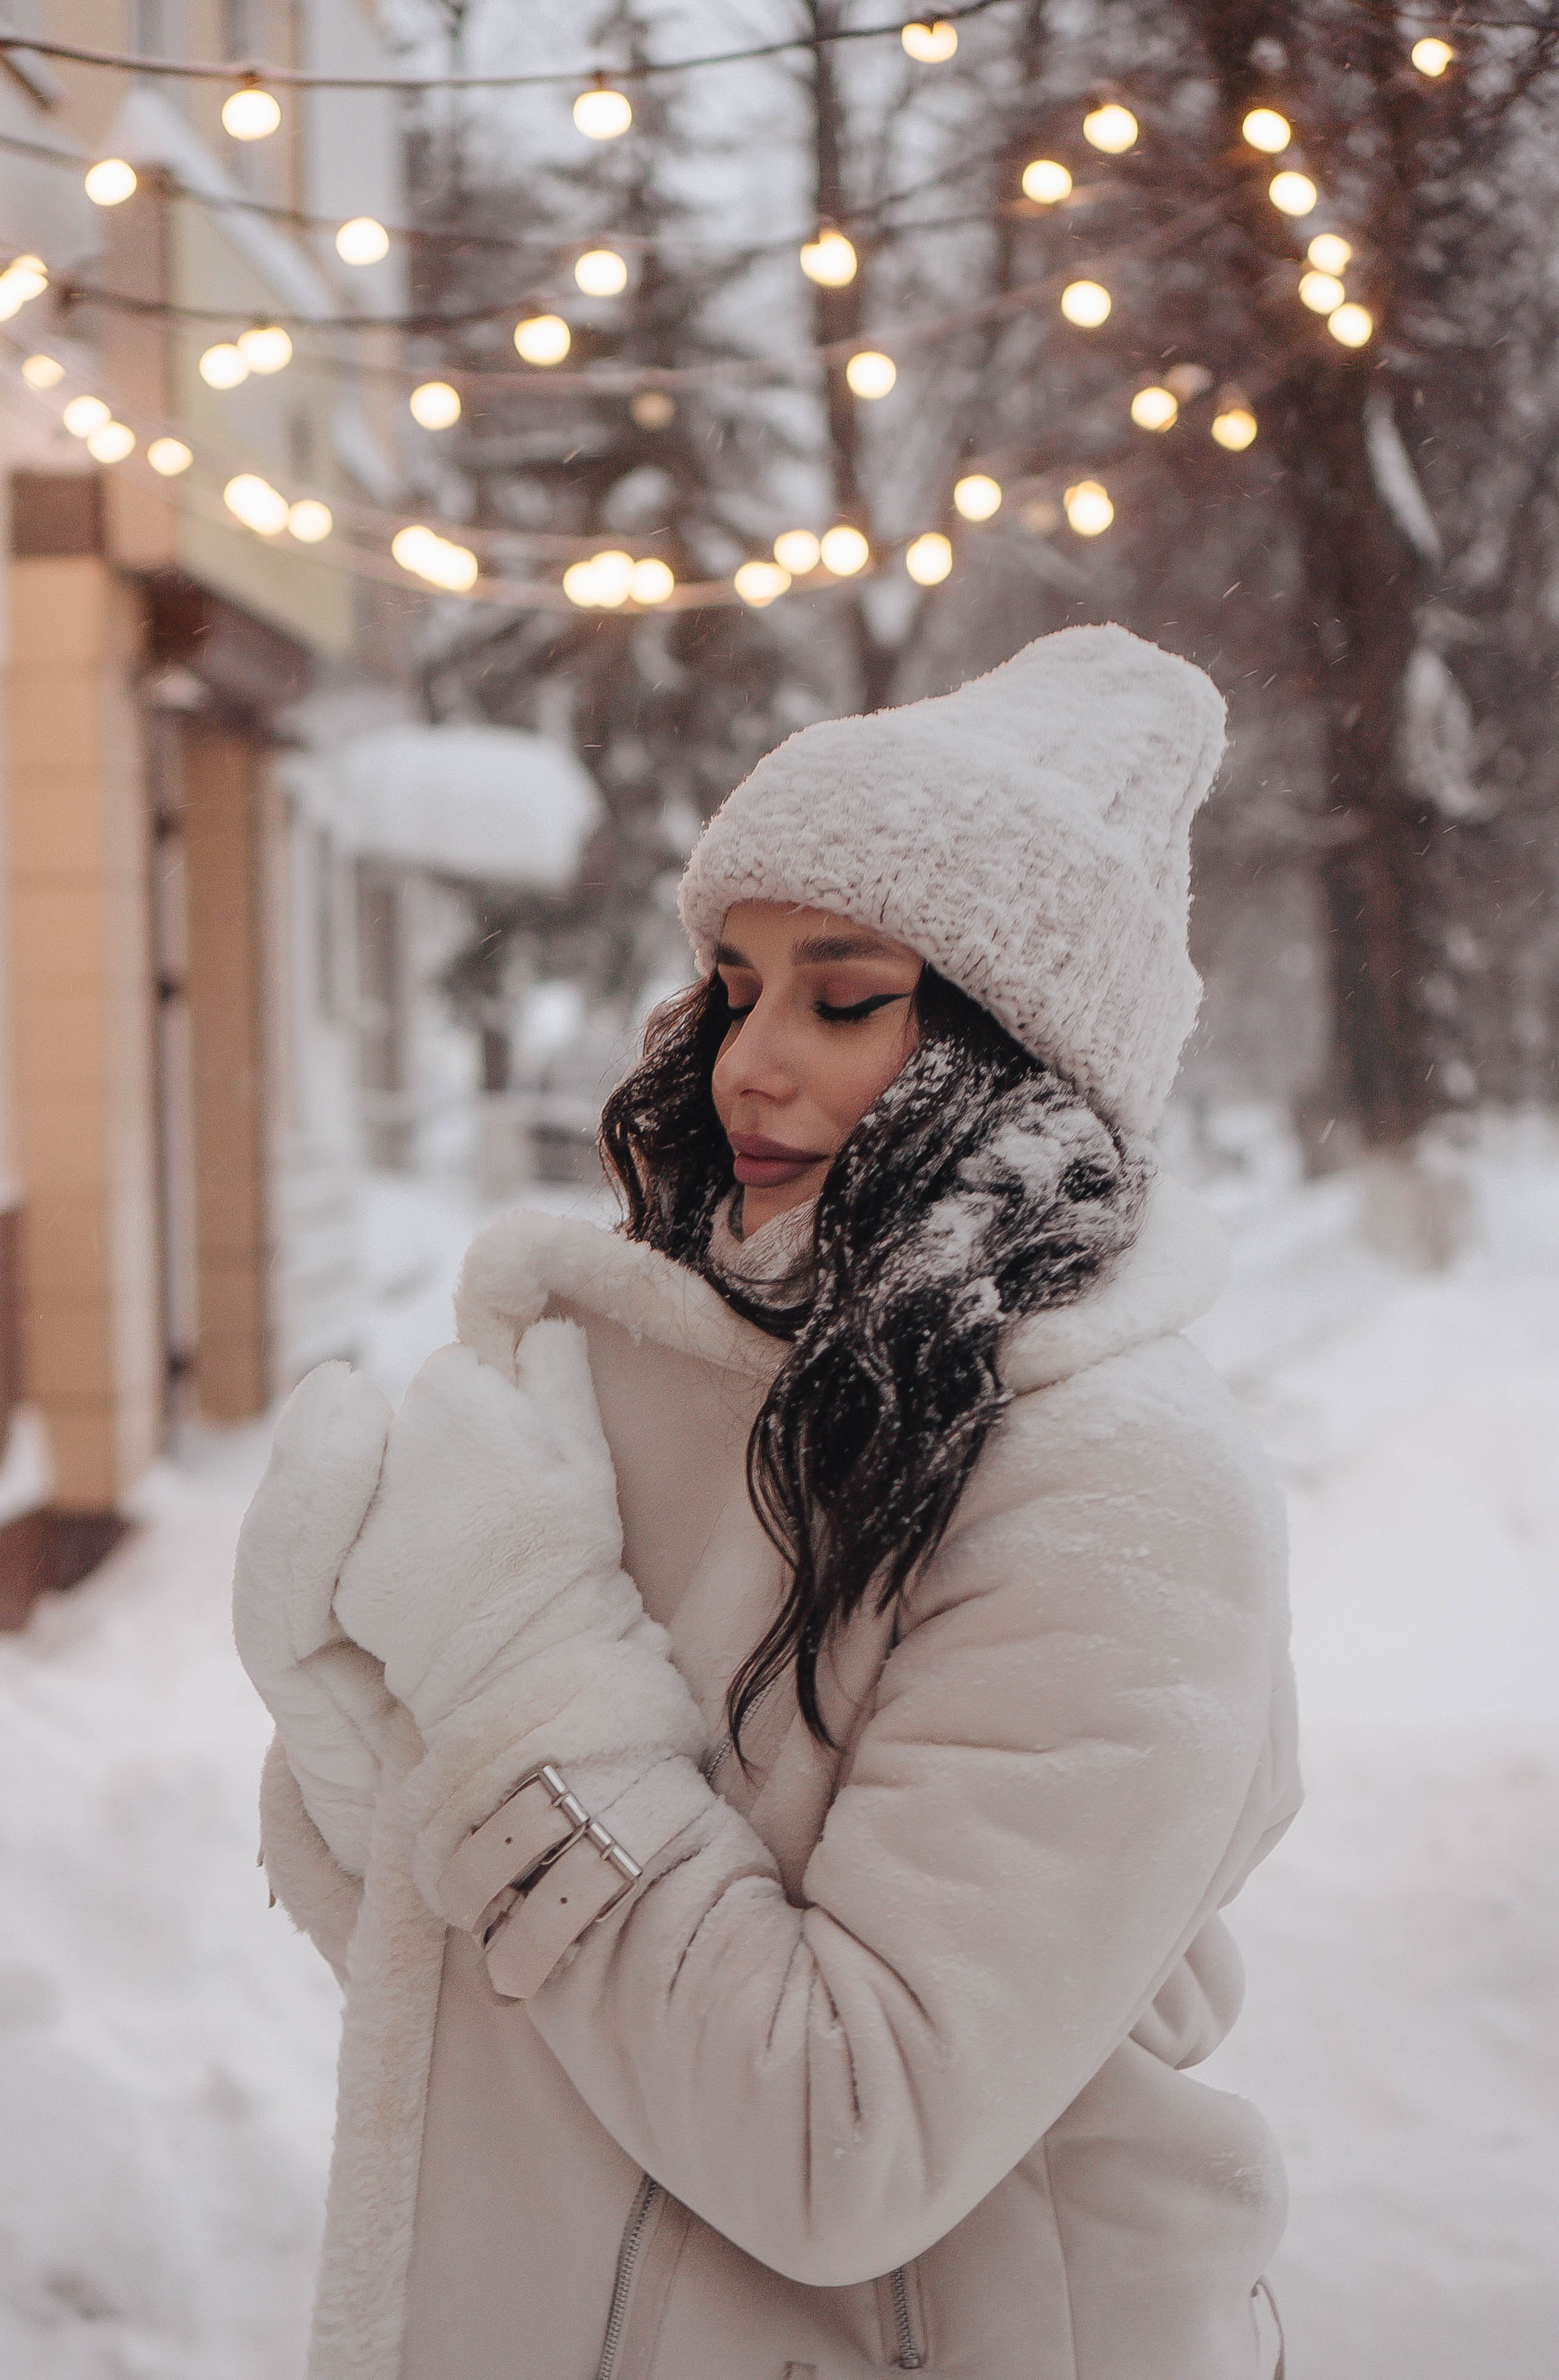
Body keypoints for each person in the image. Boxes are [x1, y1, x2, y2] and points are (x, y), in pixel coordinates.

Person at [234, 624, 1298, 2380]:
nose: (748, 1060)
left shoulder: (1125, 1491)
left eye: (845, 993)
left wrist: (510, 1682)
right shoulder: (712, 1385)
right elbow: (532, 2018)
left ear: (1009, 1048)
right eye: (733, 985)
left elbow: (840, 2140)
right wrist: (368, 1739)